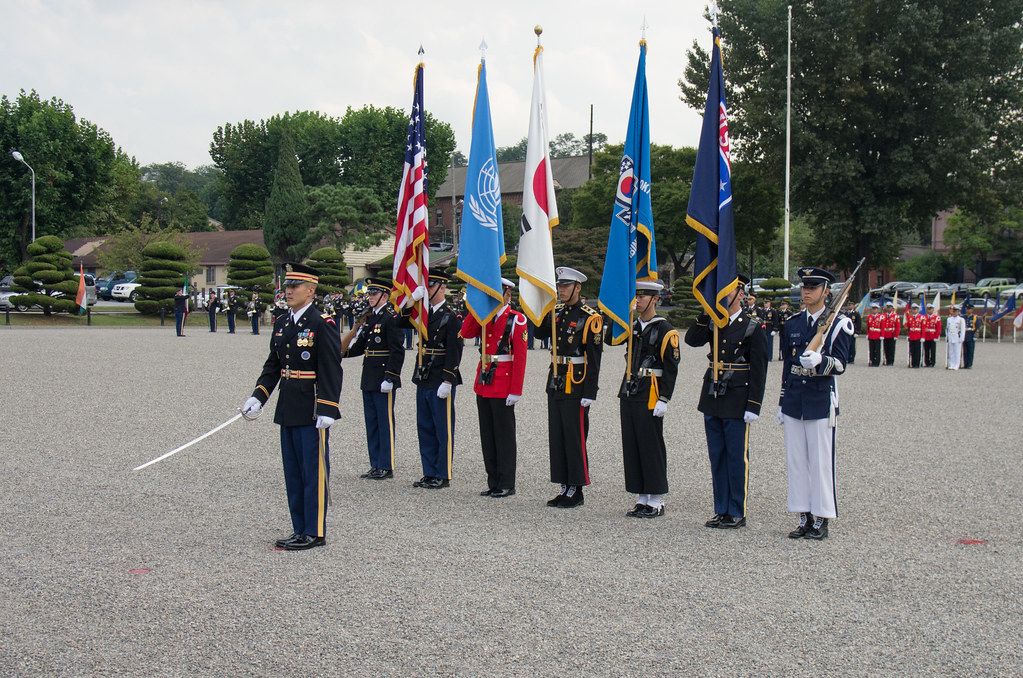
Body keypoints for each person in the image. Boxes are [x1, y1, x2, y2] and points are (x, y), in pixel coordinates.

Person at [240, 263, 341, 551]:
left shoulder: (322, 323)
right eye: (287, 286)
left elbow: (331, 369)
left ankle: (315, 531)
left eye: (295, 286)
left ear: (311, 290)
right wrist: (258, 395)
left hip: (311, 407)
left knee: (312, 471)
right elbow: (274, 365)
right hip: (288, 405)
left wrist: (328, 407)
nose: (289, 291)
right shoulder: (284, 322)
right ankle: (299, 528)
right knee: (293, 472)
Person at [684, 274, 768, 529]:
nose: (720, 296)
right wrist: (705, 312)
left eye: (726, 291)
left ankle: (736, 510)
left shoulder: (752, 326)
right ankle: (721, 509)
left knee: (735, 456)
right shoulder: (713, 321)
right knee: (717, 455)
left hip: (737, 397)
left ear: (740, 294)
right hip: (713, 395)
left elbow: (759, 369)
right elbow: (691, 340)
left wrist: (754, 404)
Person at [776, 267, 852, 541]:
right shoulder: (793, 323)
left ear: (826, 291)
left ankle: (821, 517)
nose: (806, 292)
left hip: (820, 399)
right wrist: (782, 400)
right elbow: (788, 365)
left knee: (820, 462)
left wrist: (821, 362)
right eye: (804, 287)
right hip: (794, 399)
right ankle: (803, 515)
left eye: (813, 287)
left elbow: (841, 364)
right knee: (796, 461)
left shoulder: (839, 324)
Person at [533, 267, 604, 509]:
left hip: (576, 383)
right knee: (558, 435)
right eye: (559, 286)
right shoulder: (557, 313)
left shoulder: (590, 318)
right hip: (556, 380)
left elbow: (594, 360)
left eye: (565, 286)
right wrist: (542, 306)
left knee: (574, 436)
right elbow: (539, 332)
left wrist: (590, 393)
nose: (561, 290)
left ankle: (577, 488)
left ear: (578, 287)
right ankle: (564, 485)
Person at [612, 280, 680, 519]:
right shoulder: (631, 326)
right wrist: (621, 314)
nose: (638, 300)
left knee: (651, 445)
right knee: (633, 444)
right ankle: (641, 495)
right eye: (637, 296)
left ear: (655, 300)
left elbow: (671, 368)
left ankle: (657, 498)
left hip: (650, 393)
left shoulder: (665, 330)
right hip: (630, 389)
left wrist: (664, 398)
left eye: (643, 297)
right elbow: (611, 339)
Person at [459, 279, 527, 498]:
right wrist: (476, 308)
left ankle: (507, 482)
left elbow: (520, 358)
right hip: (484, 381)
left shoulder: (516, 320)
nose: (493, 299)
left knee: (503, 435)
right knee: (487, 435)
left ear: (507, 295)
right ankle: (493, 481)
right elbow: (466, 332)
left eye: (497, 294)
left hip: (503, 383)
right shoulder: (484, 317)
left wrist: (516, 390)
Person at [398, 270, 463, 489]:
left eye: (431, 286)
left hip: (440, 375)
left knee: (442, 428)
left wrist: (448, 379)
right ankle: (429, 471)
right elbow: (399, 321)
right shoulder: (422, 313)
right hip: (424, 374)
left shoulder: (451, 316)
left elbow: (455, 350)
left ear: (442, 288)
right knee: (425, 426)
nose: (427, 290)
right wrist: (411, 300)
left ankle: (442, 474)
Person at [341, 277, 405, 480]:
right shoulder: (371, 318)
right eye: (369, 293)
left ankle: (386, 465)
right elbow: (360, 347)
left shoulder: (390, 318)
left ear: (384, 296)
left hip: (383, 377)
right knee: (372, 423)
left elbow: (397, 351)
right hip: (369, 376)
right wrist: (342, 351)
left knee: (384, 423)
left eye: (374, 293)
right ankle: (375, 464)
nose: (370, 297)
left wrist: (391, 377)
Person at [946, 305, 966, 369]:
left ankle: (956, 365)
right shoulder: (949, 319)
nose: (954, 312)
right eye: (953, 311)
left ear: (958, 312)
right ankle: (952, 364)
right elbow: (947, 329)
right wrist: (947, 337)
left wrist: (962, 338)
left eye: (956, 311)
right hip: (951, 337)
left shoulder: (961, 319)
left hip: (957, 337)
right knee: (951, 352)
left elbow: (963, 330)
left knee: (957, 351)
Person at [881, 301, 900, 366]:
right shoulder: (883, 315)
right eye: (887, 307)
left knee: (891, 349)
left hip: (892, 334)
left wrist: (896, 335)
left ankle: (891, 361)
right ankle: (886, 360)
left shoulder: (895, 316)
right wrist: (882, 334)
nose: (888, 308)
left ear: (892, 308)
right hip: (885, 334)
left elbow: (897, 327)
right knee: (885, 348)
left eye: (890, 307)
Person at [905, 303, 924, 367]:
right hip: (912, 336)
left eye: (915, 309)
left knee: (917, 351)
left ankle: (917, 364)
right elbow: (908, 328)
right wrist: (908, 335)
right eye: (913, 309)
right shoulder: (910, 317)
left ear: (918, 310)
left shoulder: (921, 317)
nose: (914, 310)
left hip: (918, 336)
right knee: (912, 350)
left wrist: (923, 337)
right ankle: (912, 363)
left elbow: (923, 328)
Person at [963, 304, 979, 368]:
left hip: (971, 335)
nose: (967, 310)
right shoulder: (963, 317)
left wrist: (975, 336)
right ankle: (965, 364)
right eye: (967, 309)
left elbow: (977, 327)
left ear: (972, 310)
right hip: (964, 335)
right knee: (965, 351)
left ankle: (969, 364)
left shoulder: (974, 317)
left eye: (969, 309)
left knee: (970, 350)